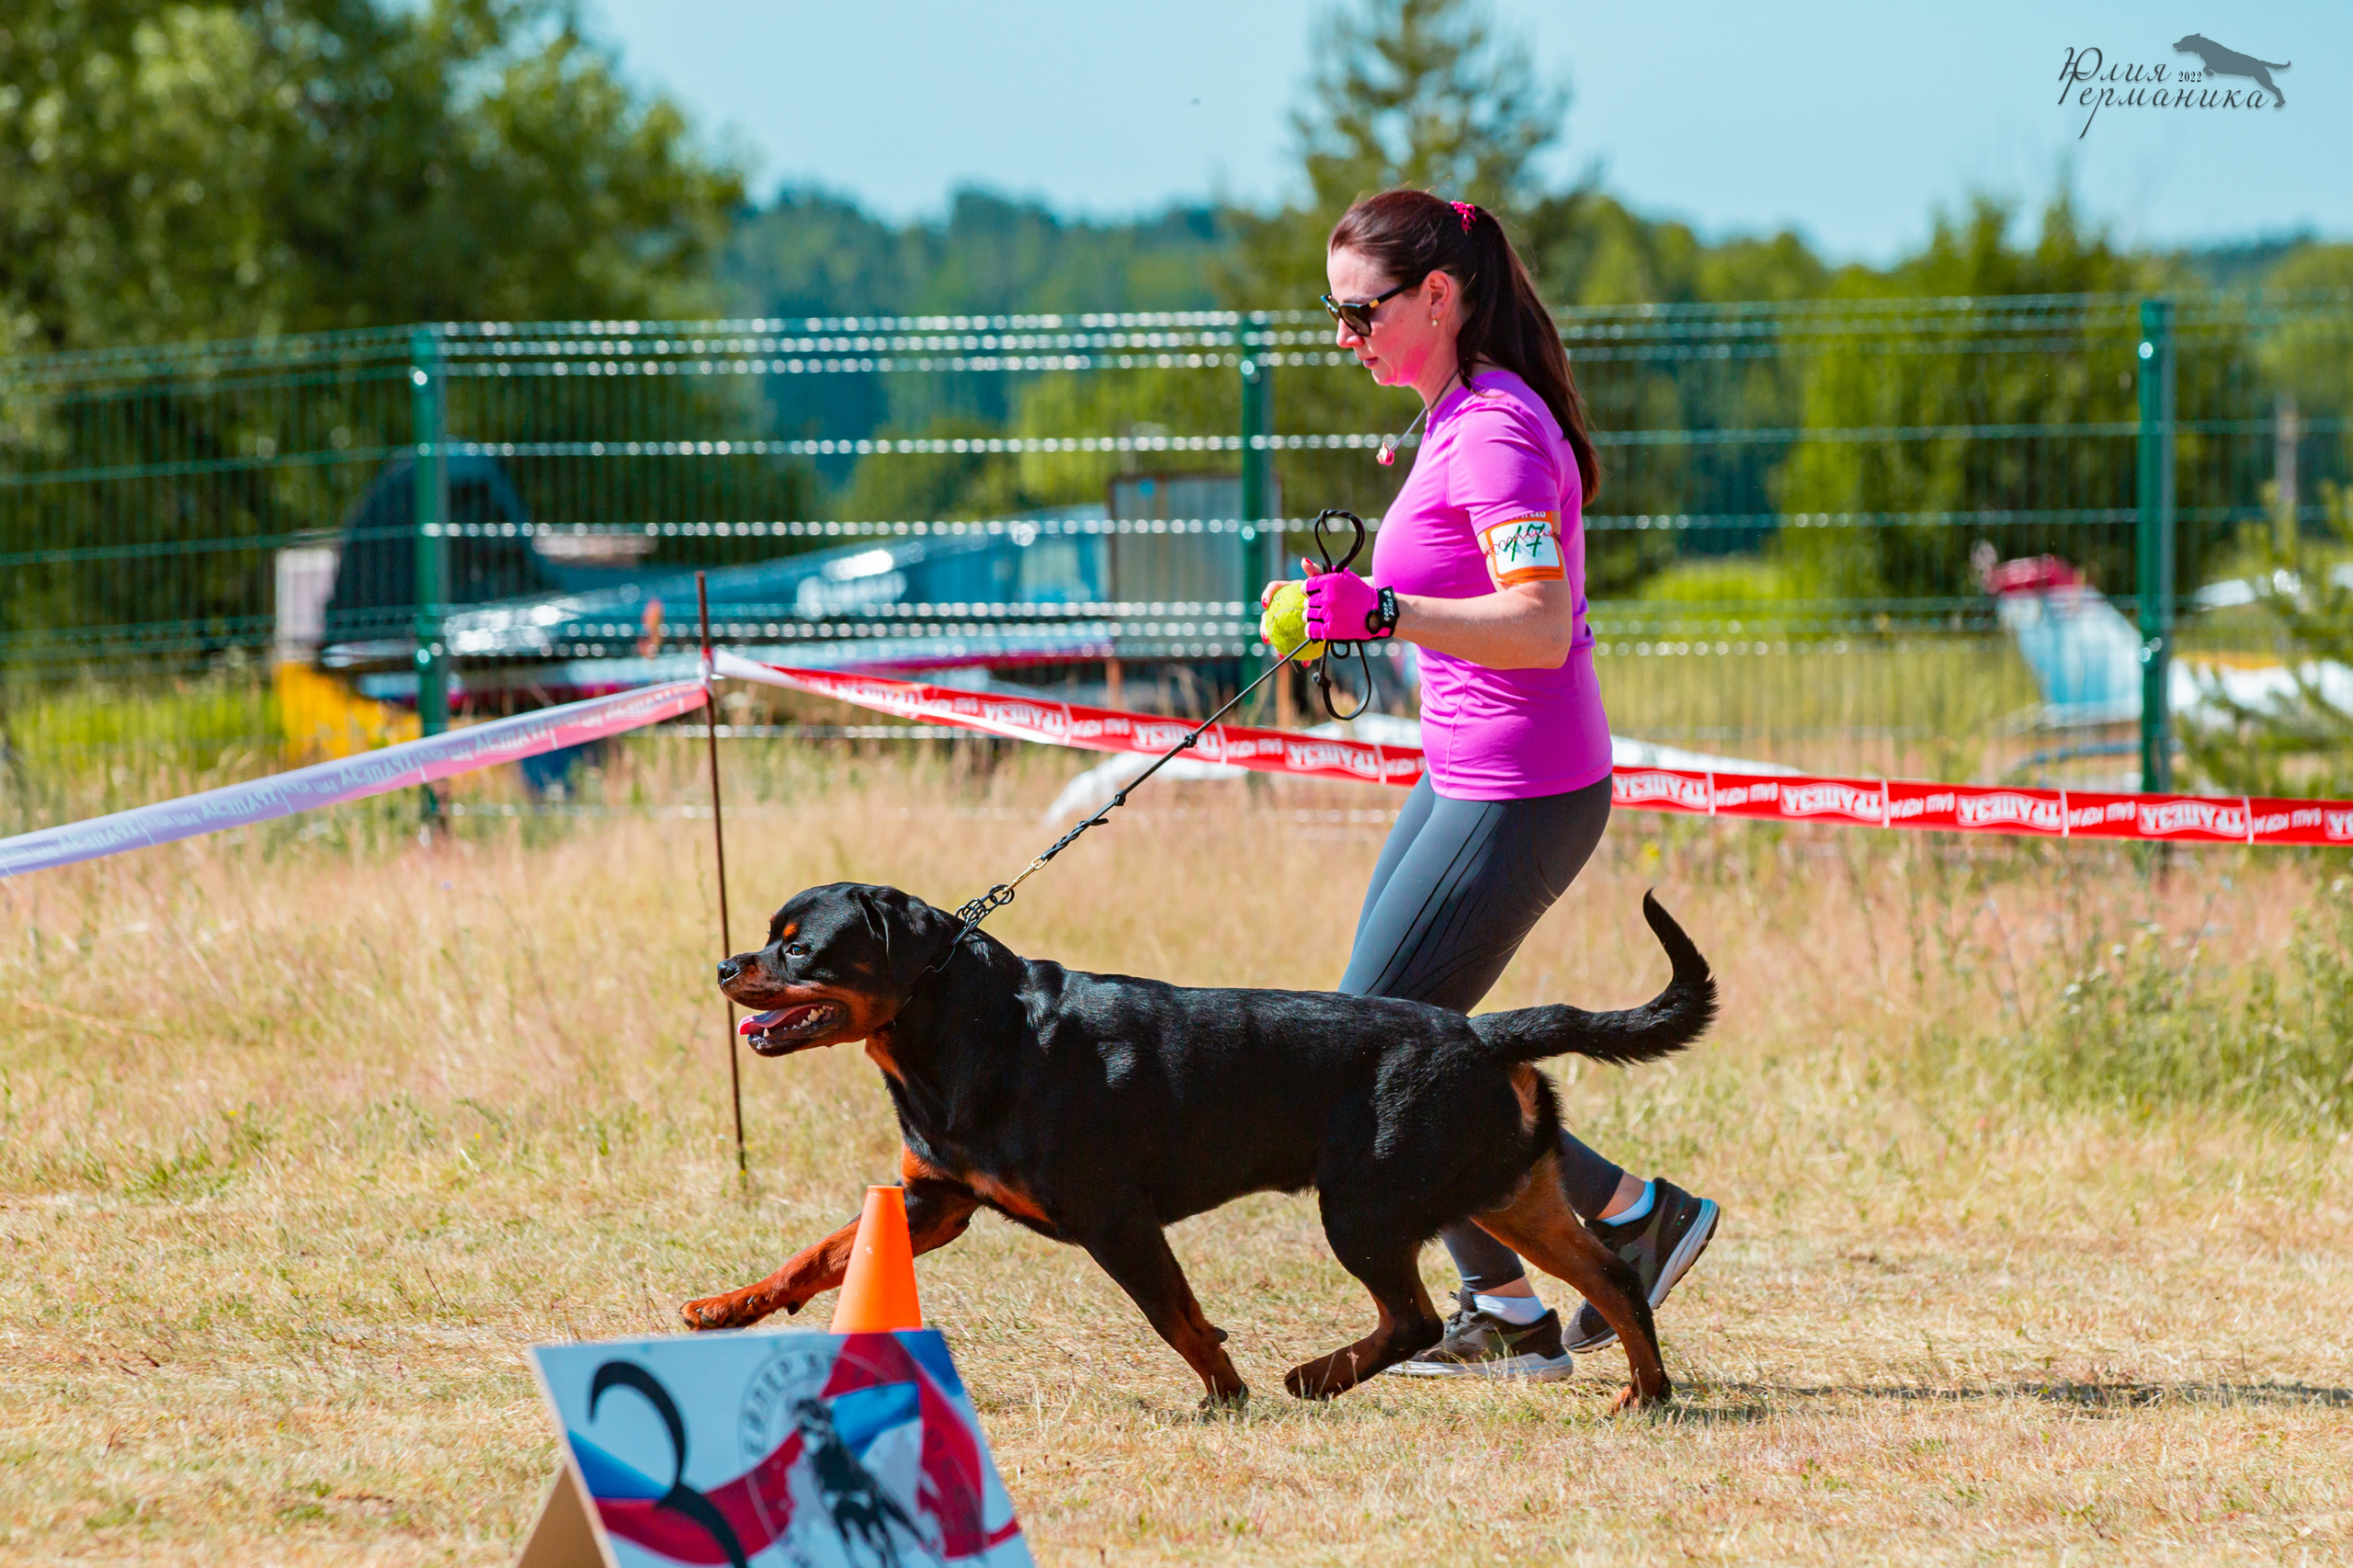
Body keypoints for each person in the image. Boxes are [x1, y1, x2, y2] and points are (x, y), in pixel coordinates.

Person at [1260, 189, 1719, 1381]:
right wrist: (1343, 610)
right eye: (1333, 312)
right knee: (1398, 1047)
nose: (1345, 336)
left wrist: (1383, 611)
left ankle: (1630, 1218)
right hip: (1465, 773)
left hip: (1521, 787)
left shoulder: (1497, 430)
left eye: (1361, 312)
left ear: (1438, 296)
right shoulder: (1451, 413)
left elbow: (1539, 623)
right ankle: (1508, 1308)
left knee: (1376, 1061)